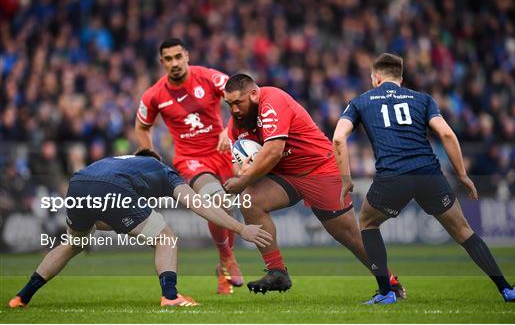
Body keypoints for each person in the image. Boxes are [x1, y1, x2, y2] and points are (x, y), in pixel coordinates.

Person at [333, 53, 515, 305]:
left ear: (376, 77)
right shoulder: (422, 99)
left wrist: (346, 179)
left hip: (393, 176)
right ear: (401, 79)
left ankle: (386, 292)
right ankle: (506, 289)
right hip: (428, 173)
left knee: (368, 223)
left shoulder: (360, 102)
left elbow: (338, 138)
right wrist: (462, 175)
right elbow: (447, 135)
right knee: (463, 231)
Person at [7, 149, 272, 308]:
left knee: (73, 243)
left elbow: (103, 220)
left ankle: (22, 297)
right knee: (166, 239)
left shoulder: (119, 161)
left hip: (78, 183)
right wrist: (240, 228)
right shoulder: (163, 171)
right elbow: (198, 205)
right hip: (112, 187)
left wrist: (121, 223)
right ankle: (170, 296)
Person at [222, 74, 404, 296]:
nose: (234, 109)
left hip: (319, 170)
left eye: (238, 103)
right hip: (286, 176)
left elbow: (274, 150)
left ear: (253, 94)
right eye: (229, 104)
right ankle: (277, 271)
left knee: (350, 237)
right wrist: (242, 174)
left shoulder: (273, 101)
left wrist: (242, 180)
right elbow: (236, 164)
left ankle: (391, 283)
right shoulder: (236, 123)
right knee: (251, 200)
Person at [134, 38, 242, 294]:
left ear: (187, 56)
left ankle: (223, 266)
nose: (174, 63)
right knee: (218, 202)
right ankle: (227, 257)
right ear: (162, 63)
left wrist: (229, 129)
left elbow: (238, 95)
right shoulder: (154, 95)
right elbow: (141, 126)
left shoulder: (208, 78)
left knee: (231, 210)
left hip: (223, 153)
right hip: (191, 161)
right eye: (168, 59)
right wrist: (150, 154)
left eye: (178, 57)